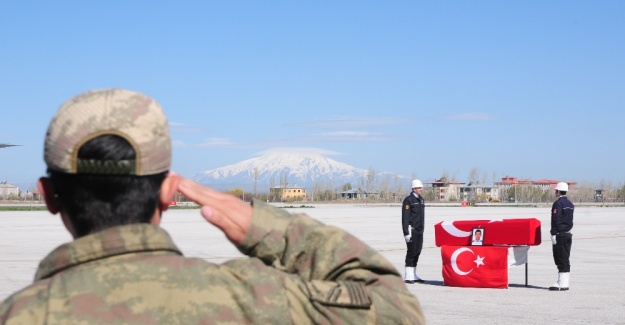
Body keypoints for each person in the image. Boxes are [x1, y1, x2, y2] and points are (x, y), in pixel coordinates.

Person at [0, 89, 424, 324]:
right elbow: (396, 311)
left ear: (48, 195)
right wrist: (271, 227)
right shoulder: (253, 298)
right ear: (169, 192)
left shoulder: (20, 314)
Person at [549, 181, 574, 291]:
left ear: (558, 191)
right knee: (565, 258)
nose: (555, 192)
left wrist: (554, 233)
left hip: (560, 234)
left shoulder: (558, 204)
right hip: (568, 234)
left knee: (560, 258)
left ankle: (562, 283)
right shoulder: (570, 204)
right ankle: (563, 281)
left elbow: (556, 219)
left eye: (556, 190)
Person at [401, 179, 425, 284]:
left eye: (421, 188)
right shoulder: (408, 200)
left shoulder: (421, 200)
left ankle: (414, 274)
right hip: (412, 230)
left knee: (417, 252)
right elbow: (405, 217)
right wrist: (406, 232)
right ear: (414, 189)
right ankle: (408, 275)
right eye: (419, 188)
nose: (421, 189)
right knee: (411, 252)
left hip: (420, 230)